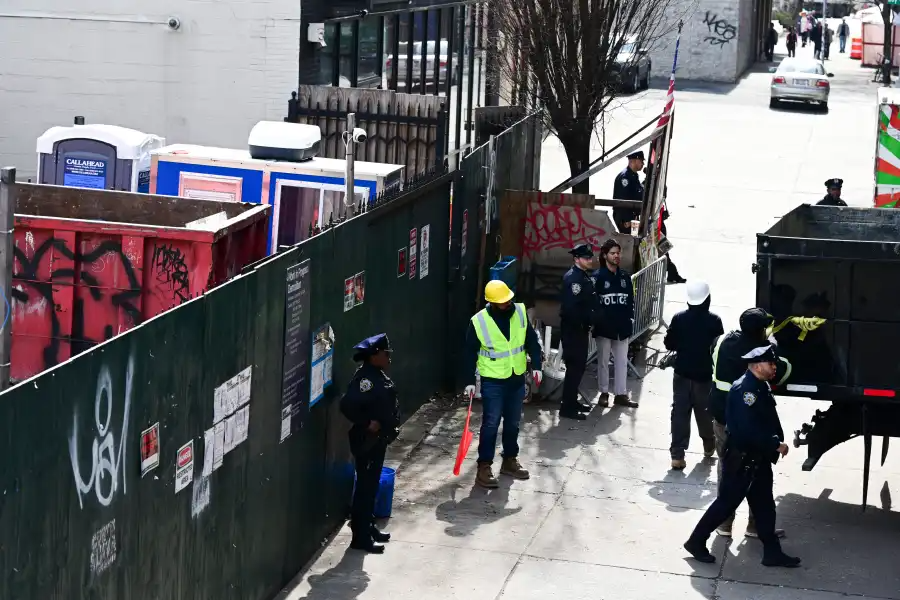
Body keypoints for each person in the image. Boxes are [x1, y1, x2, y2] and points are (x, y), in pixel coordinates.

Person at [684, 345, 801, 569]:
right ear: (757, 366)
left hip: (757, 458)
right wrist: (776, 445)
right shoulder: (745, 391)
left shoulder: (759, 385)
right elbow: (746, 430)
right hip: (743, 460)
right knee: (726, 503)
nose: (774, 367)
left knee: (765, 506)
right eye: (771, 364)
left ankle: (772, 552)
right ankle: (696, 541)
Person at [709, 308, 791, 538]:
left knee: (727, 468)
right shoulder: (764, 353)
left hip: (721, 415)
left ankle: (724, 523)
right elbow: (783, 372)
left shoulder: (721, 341)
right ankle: (756, 526)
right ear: (761, 330)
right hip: (752, 422)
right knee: (757, 472)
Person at [463, 280, 543, 488]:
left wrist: (537, 366)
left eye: (509, 299)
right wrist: (468, 382)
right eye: (503, 301)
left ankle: (510, 459)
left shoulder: (519, 312)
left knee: (513, 423)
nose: (508, 303)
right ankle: (484, 466)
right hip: (493, 381)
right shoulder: (479, 322)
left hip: (516, 378)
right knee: (491, 424)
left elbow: (531, 341)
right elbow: (468, 353)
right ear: (491, 302)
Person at [340, 333, 401, 553]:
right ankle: (360, 537)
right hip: (368, 441)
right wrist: (367, 423)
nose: (389, 357)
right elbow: (347, 405)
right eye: (386, 354)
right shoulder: (365, 379)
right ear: (375, 355)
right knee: (365, 489)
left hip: (378, 440)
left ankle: (368, 525)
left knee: (371, 486)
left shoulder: (377, 375)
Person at [663, 281, 723, 470]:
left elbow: (669, 343)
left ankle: (677, 455)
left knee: (680, 412)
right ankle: (708, 443)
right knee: (704, 412)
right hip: (704, 375)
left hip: (681, 373)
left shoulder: (679, 318)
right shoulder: (714, 321)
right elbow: (717, 346)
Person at [593, 238, 638, 407]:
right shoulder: (597, 277)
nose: (617, 256)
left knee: (621, 362)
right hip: (604, 328)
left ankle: (621, 393)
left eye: (618, 253)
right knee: (603, 362)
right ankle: (603, 393)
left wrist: (630, 319)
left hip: (622, 327)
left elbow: (630, 301)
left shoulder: (625, 277)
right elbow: (593, 303)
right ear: (605, 255)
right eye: (613, 253)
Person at [559, 243, 597, 419]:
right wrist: (584, 322)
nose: (590, 260)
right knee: (574, 368)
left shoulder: (581, 276)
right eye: (586, 258)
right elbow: (572, 309)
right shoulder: (574, 279)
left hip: (579, 330)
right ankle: (567, 407)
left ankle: (571, 401)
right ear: (576, 259)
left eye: (590, 257)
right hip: (574, 330)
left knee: (578, 368)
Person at [612, 150, 645, 234]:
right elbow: (623, 200)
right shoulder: (625, 177)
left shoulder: (633, 175)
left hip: (633, 217)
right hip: (626, 219)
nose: (643, 164)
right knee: (629, 240)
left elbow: (638, 192)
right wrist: (627, 220)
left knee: (635, 238)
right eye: (641, 161)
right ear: (636, 160)